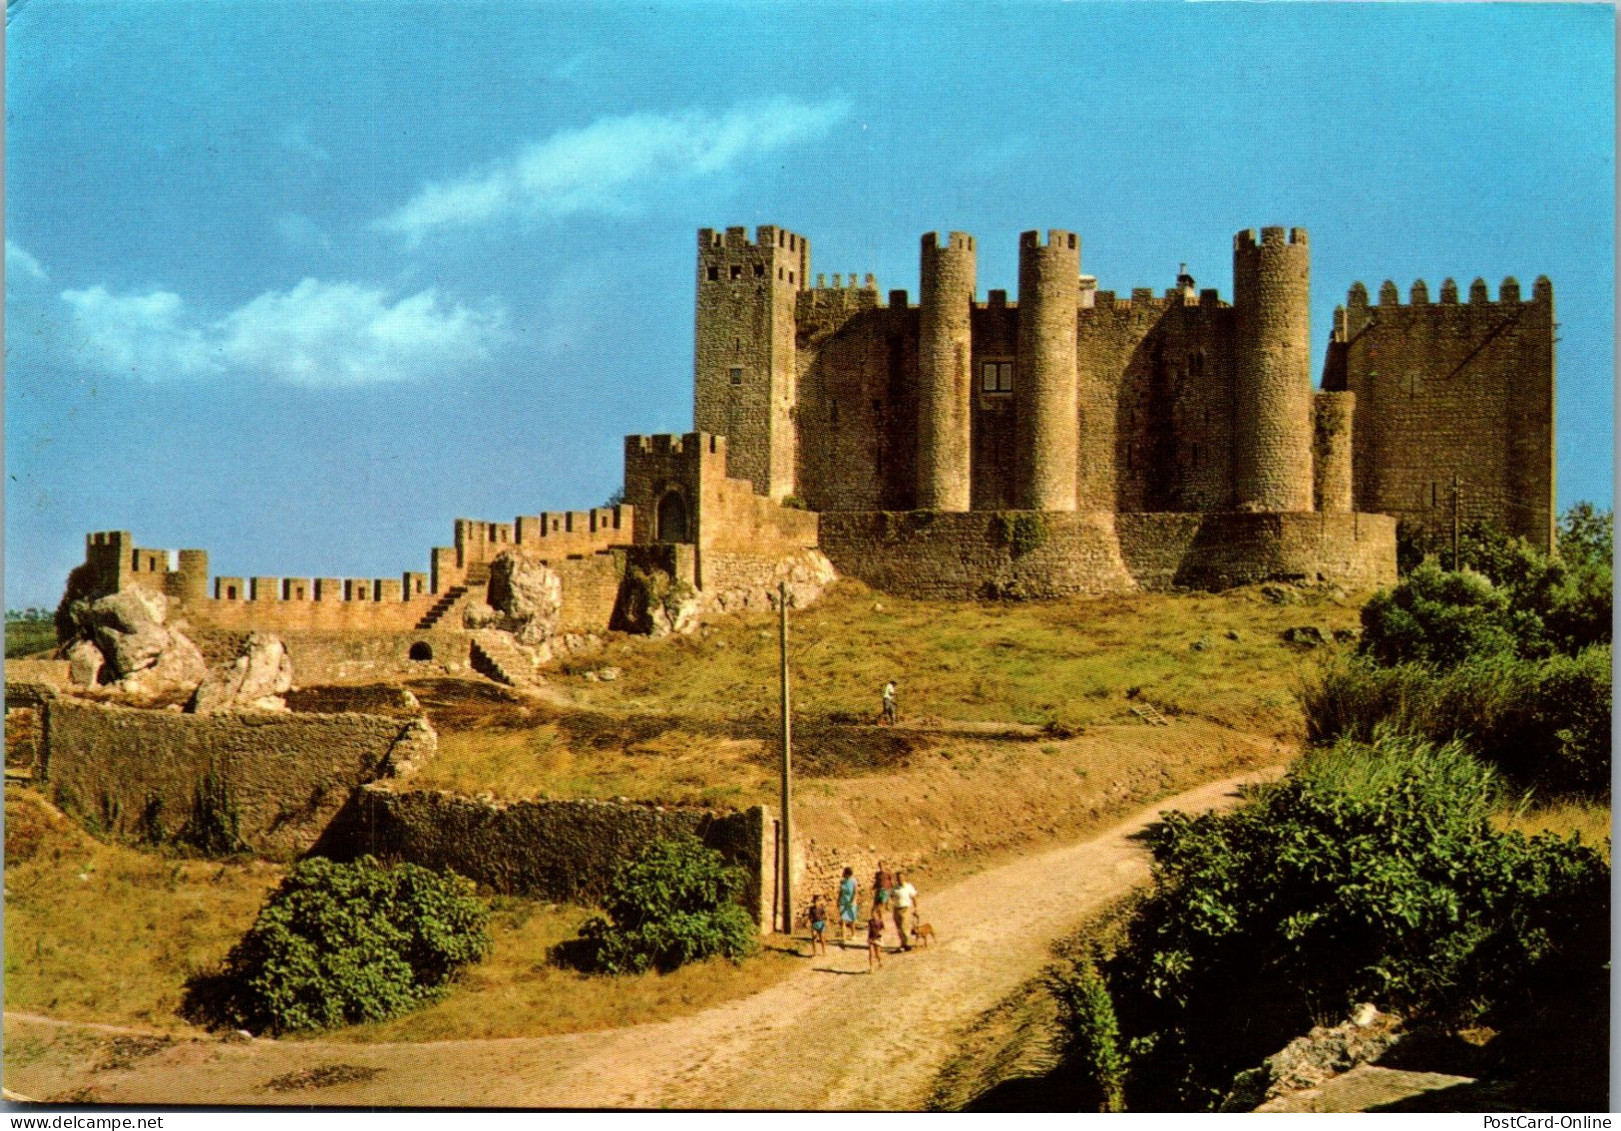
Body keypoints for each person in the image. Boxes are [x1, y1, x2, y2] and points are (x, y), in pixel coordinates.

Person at [891, 871, 919, 951]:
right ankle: (903, 944)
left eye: (901, 877)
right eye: (898, 878)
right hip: (897, 908)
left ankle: (905, 944)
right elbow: (891, 895)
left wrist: (915, 908)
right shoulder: (895, 887)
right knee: (899, 927)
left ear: (904, 877)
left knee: (904, 926)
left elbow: (914, 897)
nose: (900, 879)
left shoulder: (909, 887)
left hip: (906, 908)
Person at [838, 866, 859, 944]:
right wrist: (838, 900)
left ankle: (853, 934)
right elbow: (840, 892)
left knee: (851, 920)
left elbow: (855, 892)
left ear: (847, 874)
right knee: (843, 920)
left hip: (851, 903)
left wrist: (853, 901)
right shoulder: (842, 881)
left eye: (844, 872)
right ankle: (844, 938)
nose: (842, 873)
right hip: (843, 902)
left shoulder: (854, 881)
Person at [872, 860, 895, 931]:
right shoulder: (877, 874)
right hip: (878, 892)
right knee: (875, 909)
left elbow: (891, 882)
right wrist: (872, 889)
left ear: (885, 865)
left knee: (877, 910)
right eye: (879, 865)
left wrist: (891, 893)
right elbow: (876, 882)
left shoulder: (888, 873)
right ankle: (881, 923)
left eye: (882, 865)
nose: (881, 867)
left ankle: (879, 924)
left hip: (884, 892)